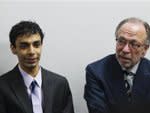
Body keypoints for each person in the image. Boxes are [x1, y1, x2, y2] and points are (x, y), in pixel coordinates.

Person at [0, 21, 74, 113]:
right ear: (13, 49)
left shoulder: (60, 84)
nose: (31, 51)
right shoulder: (2, 86)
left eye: (36, 45)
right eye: (24, 46)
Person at [84, 17, 150, 113]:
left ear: (145, 49)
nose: (125, 50)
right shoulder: (96, 72)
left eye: (134, 44)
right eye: (121, 41)